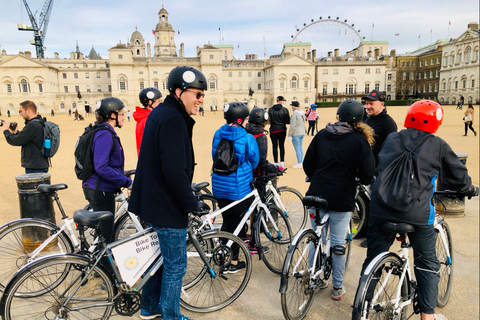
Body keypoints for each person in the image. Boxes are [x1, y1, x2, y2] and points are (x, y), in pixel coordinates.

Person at [361, 100, 476, 320]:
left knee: (372, 260)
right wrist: (469, 188)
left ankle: (363, 309)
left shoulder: (392, 138)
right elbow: (458, 177)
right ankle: (427, 316)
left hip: (381, 208)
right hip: (416, 214)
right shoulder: (438, 145)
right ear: (436, 121)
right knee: (427, 262)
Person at [129, 66, 209, 320]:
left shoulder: (162, 113)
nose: (201, 99)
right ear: (179, 91)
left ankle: (150, 305)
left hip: (153, 201)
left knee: (160, 260)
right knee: (176, 265)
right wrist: (191, 203)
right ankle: (170, 316)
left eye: (202, 94)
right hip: (166, 205)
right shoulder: (173, 119)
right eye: (197, 94)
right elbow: (174, 171)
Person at [304, 99, 375, 300]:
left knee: (315, 236)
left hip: (315, 193)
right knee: (337, 243)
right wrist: (363, 179)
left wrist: (315, 174)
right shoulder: (360, 140)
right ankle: (337, 287)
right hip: (341, 196)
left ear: (338, 116)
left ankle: (312, 276)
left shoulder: (322, 134)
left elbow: (308, 164)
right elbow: (368, 172)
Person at [211, 102, 260, 259]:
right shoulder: (247, 138)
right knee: (237, 225)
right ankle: (232, 261)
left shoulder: (218, 133)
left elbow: (215, 156)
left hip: (219, 186)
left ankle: (223, 254)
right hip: (238, 188)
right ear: (240, 120)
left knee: (227, 221)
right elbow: (254, 161)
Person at [82, 97, 132, 245]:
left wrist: (121, 174)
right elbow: (101, 166)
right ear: (112, 115)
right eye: (122, 114)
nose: (124, 117)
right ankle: (102, 267)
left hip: (99, 187)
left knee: (103, 233)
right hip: (100, 189)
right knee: (105, 237)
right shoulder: (105, 134)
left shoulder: (103, 131)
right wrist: (126, 181)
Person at [361, 90, 397, 247]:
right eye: (367, 103)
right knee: (365, 201)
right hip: (368, 167)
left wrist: (381, 171)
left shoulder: (388, 123)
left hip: (380, 170)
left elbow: (392, 149)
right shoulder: (369, 118)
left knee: (376, 206)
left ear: (382, 104)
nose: (368, 106)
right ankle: (363, 230)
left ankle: (374, 238)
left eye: (371, 103)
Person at [2, 100, 49, 173]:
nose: (20, 113)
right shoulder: (39, 122)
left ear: (28, 111)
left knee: (35, 184)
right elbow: (25, 139)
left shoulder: (32, 125)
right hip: (40, 164)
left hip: (35, 167)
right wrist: (16, 132)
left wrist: (5, 130)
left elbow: (16, 141)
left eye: (21, 111)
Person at [133, 87, 162, 156]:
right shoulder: (149, 119)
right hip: (152, 159)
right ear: (150, 102)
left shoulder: (143, 117)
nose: (160, 104)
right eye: (158, 101)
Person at [268, 95, 290, 167]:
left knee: (274, 146)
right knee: (281, 146)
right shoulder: (285, 110)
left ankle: (276, 162)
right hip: (282, 129)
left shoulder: (270, 110)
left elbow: (269, 121)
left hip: (273, 129)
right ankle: (282, 162)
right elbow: (288, 121)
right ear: (281, 101)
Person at [288, 101, 306, 168]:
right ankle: (301, 162)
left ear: (293, 106)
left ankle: (299, 163)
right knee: (300, 148)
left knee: (297, 148)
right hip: (302, 131)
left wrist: (289, 134)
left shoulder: (294, 114)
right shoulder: (302, 113)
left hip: (296, 133)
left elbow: (292, 126)